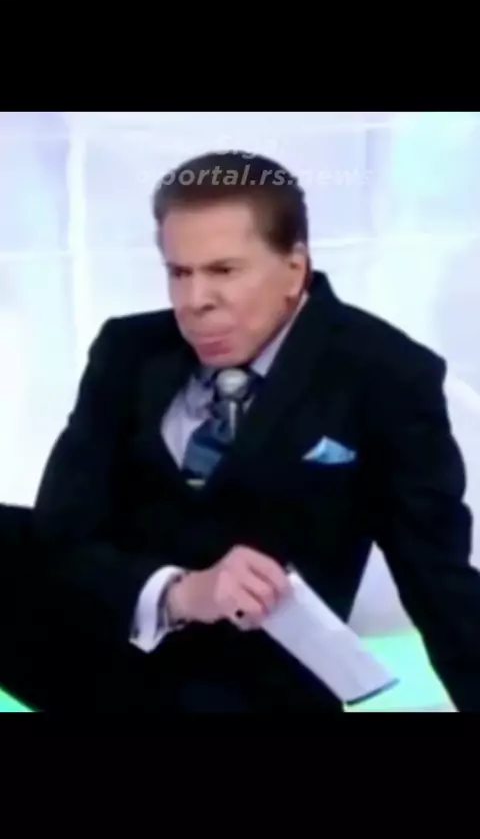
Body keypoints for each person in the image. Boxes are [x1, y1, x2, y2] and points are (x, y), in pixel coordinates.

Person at [29, 150, 480, 711]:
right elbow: (60, 534)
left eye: (223, 271)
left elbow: (439, 581)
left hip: (259, 691)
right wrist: (178, 593)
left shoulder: (385, 374)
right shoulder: (127, 351)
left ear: (295, 269)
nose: (194, 302)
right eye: (179, 272)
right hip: (110, 657)